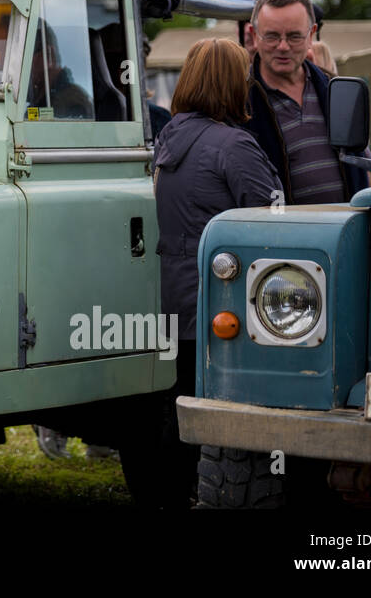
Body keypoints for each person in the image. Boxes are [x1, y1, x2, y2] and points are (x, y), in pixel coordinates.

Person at [134, 37, 282, 507]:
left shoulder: (172, 135)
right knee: (223, 415)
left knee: (179, 407)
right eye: (243, 77)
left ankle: (164, 497)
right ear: (230, 84)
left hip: (178, 297)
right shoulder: (233, 144)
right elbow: (274, 222)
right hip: (227, 304)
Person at [243, 0, 369, 204]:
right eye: (271, 36)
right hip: (278, 234)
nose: (282, 47)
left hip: (347, 229)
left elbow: (364, 164)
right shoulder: (240, 103)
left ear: (311, 35)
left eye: (294, 37)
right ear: (254, 36)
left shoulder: (337, 90)